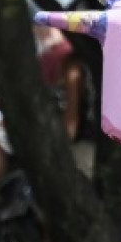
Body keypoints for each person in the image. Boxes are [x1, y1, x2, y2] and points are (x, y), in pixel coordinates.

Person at [36, 23, 98, 178]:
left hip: (82, 139)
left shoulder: (73, 67)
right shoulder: (90, 64)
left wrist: (64, 144)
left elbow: (73, 112)